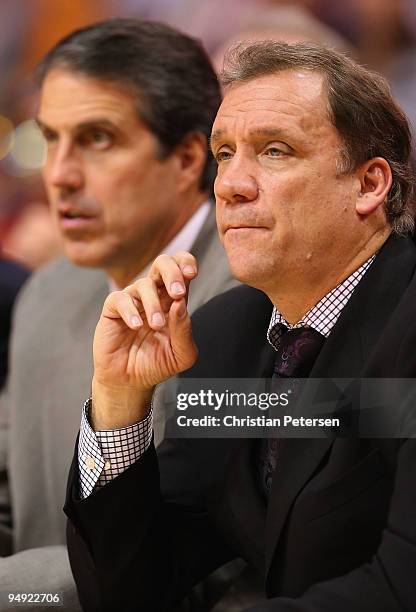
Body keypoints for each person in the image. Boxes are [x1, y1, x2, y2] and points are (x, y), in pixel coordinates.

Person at [65, 41, 416, 611]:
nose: (230, 185)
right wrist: (119, 403)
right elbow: (129, 587)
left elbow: (401, 587)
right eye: (224, 153)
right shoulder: (229, 332)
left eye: (274, 151)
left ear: (369, 185)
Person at [0, 19, 237, 609]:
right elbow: (8, 494)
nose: (59, 175)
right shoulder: (49, 290)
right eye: (50, 137)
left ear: (187, 158)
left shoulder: (248, 298)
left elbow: (205, 568)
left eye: (98, 138)